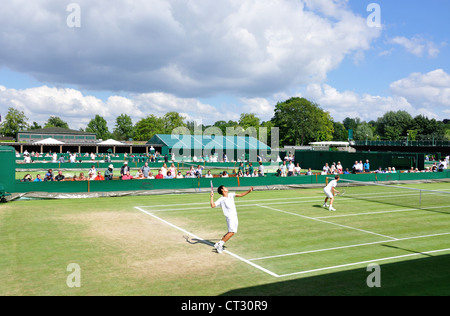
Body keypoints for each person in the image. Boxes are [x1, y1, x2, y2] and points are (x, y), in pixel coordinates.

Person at [210, 185, 254, 253]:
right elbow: (212, 205)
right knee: (231, 232)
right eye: (225, 187)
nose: (226, 188)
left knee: (232, 232)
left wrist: (248, 191)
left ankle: (219, 243)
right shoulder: (221, 199)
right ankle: (219, 244)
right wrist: (212, 196)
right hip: (230, 217)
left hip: (235, 216)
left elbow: (241, 195)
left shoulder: (231, 194)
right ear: (222, 190)